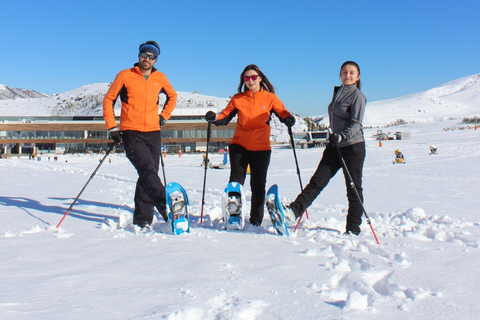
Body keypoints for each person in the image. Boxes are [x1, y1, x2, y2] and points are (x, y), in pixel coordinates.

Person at [205, 64, 296, 226]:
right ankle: (234, 214)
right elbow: (225, 117)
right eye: (247, 78)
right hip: (239, 145)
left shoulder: (270, 98)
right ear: (243, 80)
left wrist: (288, 118)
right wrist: (214, 117)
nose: (250, 80)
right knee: (235, 181)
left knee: (258, 184)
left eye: (254, 77)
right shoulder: (238, 99)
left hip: (261, 147)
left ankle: (255, 220)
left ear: (260, 78)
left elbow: (282, 112)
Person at [284, 61, 367, 235]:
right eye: (344, 72)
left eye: (352, 73)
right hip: (335, 146)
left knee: (353, 188)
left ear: (358, 77)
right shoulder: (338, 93)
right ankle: (293, 211)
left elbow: (356, 124)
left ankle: (353, 229)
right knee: (317, 181)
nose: (348, 75)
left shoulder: (357, 96)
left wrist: (342, 136)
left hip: (352, 147)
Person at [103, 40, 177, 228]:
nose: (147, 58)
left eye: (152, 56)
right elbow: (109, 99)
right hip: (131, 132)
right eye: (144, 54)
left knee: (149, 174)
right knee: (147, 170)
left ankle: (143, 219)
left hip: (153, 132)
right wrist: (112, 127)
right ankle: (166, 206)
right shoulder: (125, 75)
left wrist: (163, 117)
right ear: (139, 56)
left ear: (155, 59)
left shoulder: (160, 77)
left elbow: (173, 96)